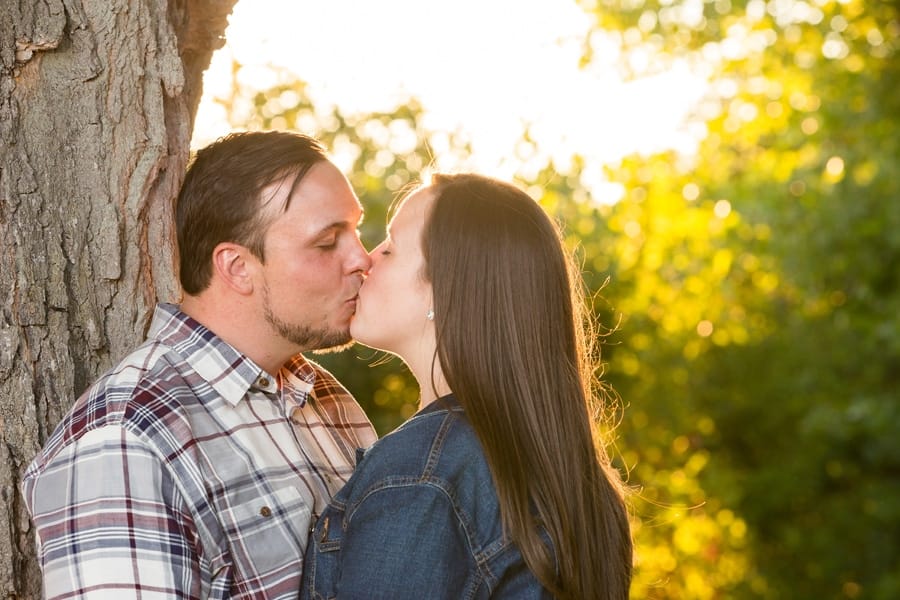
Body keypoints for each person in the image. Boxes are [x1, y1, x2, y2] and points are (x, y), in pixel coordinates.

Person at [21, 131, 378, 599]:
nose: (362, 259)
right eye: (328, 242)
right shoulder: (125, 441)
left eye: (356, 230)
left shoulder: (325, 397)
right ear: (236, 267)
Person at [301, 173, 633, 599]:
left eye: (390, 247)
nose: (367, 260)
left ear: (444, 288)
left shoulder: (421, 476)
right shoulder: (576, 479)